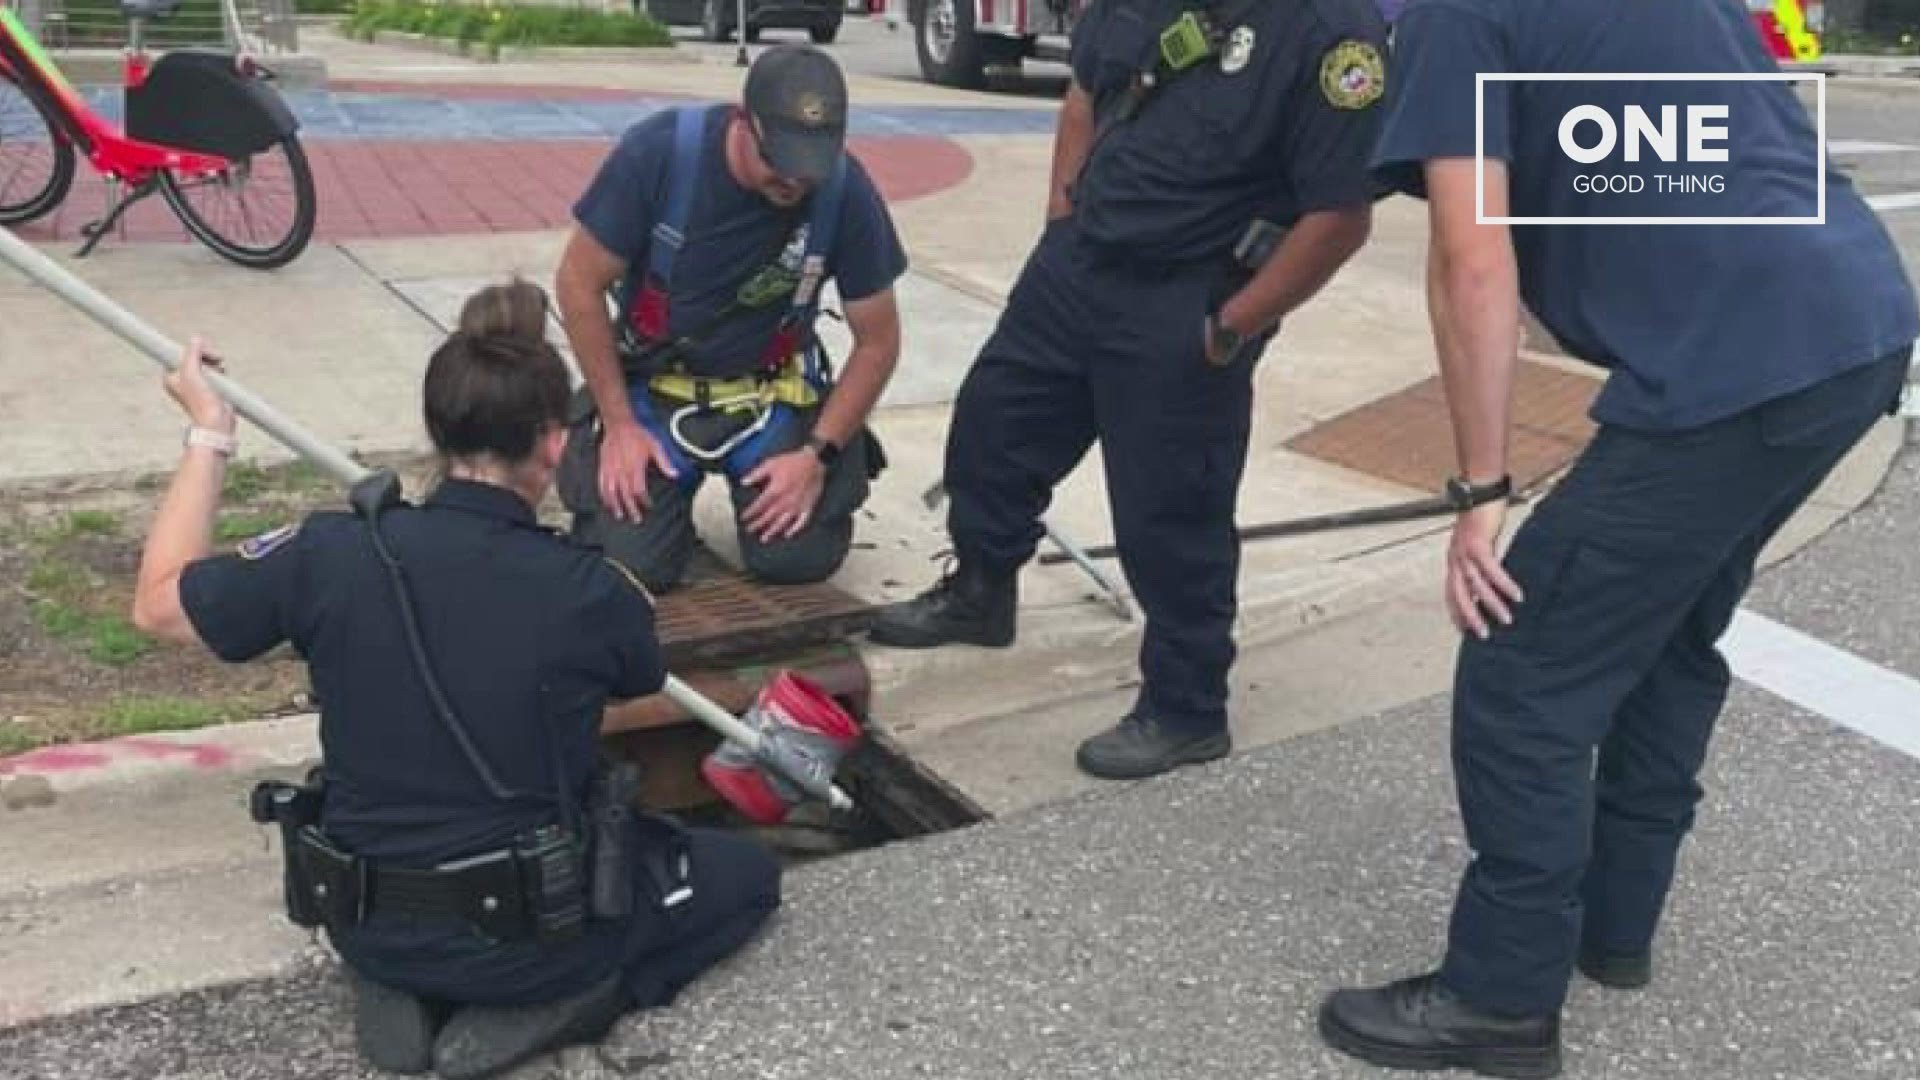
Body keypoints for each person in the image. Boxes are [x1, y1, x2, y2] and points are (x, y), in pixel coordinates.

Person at [1317, 2, 1919, 1077]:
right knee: (1666, 627)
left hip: (1746, 356)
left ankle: (1498, 998)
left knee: (1524, 662)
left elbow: (1472, 264)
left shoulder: (1453, 20)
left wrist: (1482, 489)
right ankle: (1615, 927)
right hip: (1855, 328)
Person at [129, 281, 786, 1080]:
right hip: (542, 941)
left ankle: (401, 980)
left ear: (440, 431)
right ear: (553, 444)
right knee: (747, 875)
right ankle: (578, 997)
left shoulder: (329, 554)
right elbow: (632, 678)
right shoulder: (589, 590)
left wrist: (209, 433)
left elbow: (158, 606)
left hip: (362, 920)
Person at [866, 0, 1386, 780]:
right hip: (1081, 266)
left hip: (1189, 299)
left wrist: (1232, 324)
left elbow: (1340, 217)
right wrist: (1060, 224)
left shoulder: (1331, 36)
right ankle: (980, 592)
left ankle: (1185, 709)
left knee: (1169, 511)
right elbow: (1086, 93)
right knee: (994, 424)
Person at [553, 44, 907, 594]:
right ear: (744, 122)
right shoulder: (661, 154)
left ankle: (775, 487)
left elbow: (878, 343)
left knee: (795, 559)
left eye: (808, 169)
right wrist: (619, 425)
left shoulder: (844, 189)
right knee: (632, 570)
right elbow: (578, 283)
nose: (793, 183)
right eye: (778, 162)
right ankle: (662, 513)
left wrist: (816, 455)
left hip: (767, 395)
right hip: (658, 388)